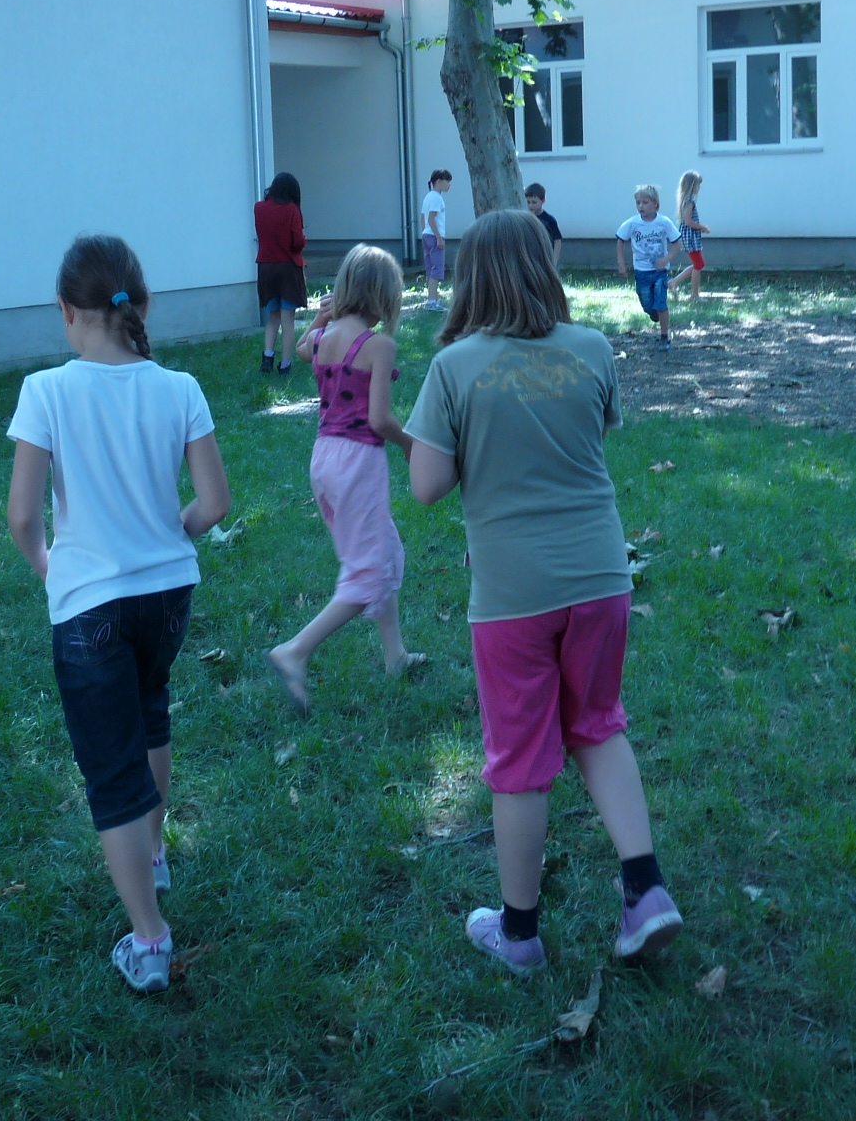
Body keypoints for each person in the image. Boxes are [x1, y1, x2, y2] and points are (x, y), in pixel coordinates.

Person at [406, 209, 682, 974]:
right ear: (545, 266)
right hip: (601, 578)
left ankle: (520, 933)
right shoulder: (593, 348)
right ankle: (645, 890)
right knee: (599, 725)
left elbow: (427, 486)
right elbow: (589, 440)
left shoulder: (454, 367)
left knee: (520, 760)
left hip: (512, 596)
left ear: (471, 277)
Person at [6, 235, 232, 994]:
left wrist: (51, 567)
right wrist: (170, 535)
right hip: (167, 599)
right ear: (142, 306)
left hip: (90, 609)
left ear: (67, 312)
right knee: (151, 713)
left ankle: (150, 939)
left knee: (110, 771)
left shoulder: (46, 391)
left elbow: (22, 517)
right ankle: (154, 851)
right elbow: (214, 502)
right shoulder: (181, 387)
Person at [267, 245, 427, 706]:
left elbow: (302, 350)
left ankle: (395, 655)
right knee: (368, 569)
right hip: (358, 463)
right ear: (385, 296)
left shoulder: (323, 337)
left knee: (384, 550)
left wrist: (320, 319)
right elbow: (380, 419)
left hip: (324, 460)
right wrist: (410, 445)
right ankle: (295, 651)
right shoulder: (379, 346)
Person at [614, 184, 682, 347]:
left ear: (655, 204)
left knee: (661, 303)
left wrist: (666, 259)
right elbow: (620, 241)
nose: (641, 206)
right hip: (642, 271)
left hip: (660, 271)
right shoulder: (632, 223)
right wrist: (621, 263)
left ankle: (664, 337)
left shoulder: (664, 222)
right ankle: (653, 313)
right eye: (638, 203)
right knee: (646, 302)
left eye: (645, 202)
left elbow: (677, 243)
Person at [255, 173, 308, 374]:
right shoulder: (292, 210)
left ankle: (267, 356)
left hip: (266, 268)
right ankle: (285, 365)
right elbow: (298, 243)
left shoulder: (259, 208)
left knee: (273, 316)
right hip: (288, 269)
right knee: (288, 320)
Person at [668, 170, 709, 302]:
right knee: (698, 265)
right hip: (690, 237)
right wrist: (702, 227)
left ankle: (674, 282)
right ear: (692, 186)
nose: (699, 188)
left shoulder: (685, 201)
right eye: (698, 185)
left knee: (699, 264)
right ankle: (694, 295)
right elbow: (688, 221)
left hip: (690, 236)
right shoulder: (689, 202)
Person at [421, 170, 452, 310]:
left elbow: (423, 218)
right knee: (437, 269)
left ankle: (432, 298)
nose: (449, 184)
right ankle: (432, 301)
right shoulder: (437, 198)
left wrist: (425, 232)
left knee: (431, 269)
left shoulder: (428, 197)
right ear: (438, 181)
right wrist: (439, 238)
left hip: (427, 235)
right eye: (447, 181)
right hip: (434, 236)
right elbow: (431, 219)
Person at [525, 182, 563, 267]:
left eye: (534, 202)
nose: (530, 206)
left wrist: (554, 261)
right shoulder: (525, 219)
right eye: (528, 202)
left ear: (543, 201)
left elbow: (557, 241)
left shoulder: (549, 220)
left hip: (546, 257)